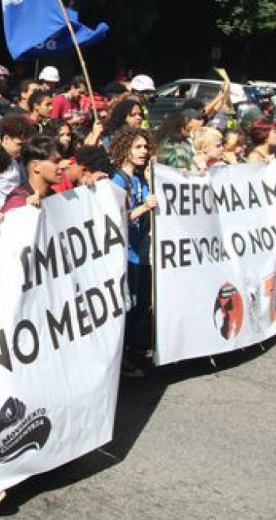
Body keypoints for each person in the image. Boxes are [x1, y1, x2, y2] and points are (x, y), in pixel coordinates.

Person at [109, 127, 158, 377]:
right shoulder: (118, 180)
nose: (143, 151)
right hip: (126, 255)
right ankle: (123, 359)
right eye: (138, 147)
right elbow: (117, 219)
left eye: (145, 147)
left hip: (140, 252)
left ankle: (136, 351)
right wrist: (143, 209)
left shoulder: (140, 178)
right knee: (127, 306)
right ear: (125, 148)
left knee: (139, 304)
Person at [3, 134, 65, 211]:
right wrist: (26, 211)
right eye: (56, 162)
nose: (62, 166)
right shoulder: (18, 202)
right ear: (36, 166)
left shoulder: (53, 196)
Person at [0, 115, 37, 211]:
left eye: (25, 145)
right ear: (6, 139)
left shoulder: (19, 159)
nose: (23, 148)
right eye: (19, 144)